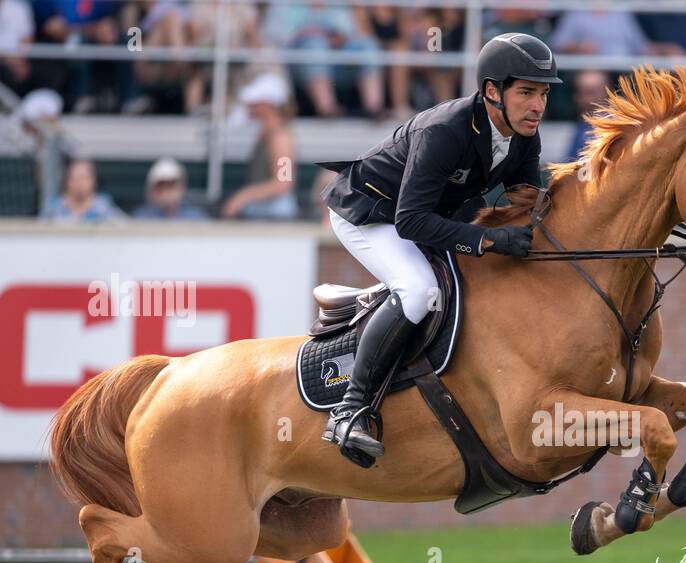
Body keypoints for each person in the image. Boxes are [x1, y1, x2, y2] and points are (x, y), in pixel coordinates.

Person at [316, 32, 554, 465]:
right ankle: (349, 409)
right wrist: (487, 239)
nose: (538, 105)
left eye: (542, 93)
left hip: (429, 213)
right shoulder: (444, 131)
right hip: (370, 213)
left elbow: (529, 204)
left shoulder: (524, 135)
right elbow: (409, 221)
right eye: (526, 93)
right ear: (491, 92)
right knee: (419, 288)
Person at [221, 73, 298, 220]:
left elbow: (283, 183)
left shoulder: (280, 139)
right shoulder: (267, 134)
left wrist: (242, 197)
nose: (249, 105)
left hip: (276, 216)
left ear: (268, 104)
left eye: (255, 102)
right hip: (263, 213)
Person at [40, 158, 125, 223]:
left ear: (93, 181)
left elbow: (126, 228)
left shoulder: (103, 207)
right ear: (67, 181)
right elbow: (38, 234)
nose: (79, 183)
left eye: (83, 178)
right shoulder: (54, 207)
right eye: (75, 178)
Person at [134, 157, 209, 220]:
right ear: (152, 190)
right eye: (161, 186)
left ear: (181, 187)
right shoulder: (141, 218)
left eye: (171, 185)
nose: (166, 191)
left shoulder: (196, 217)